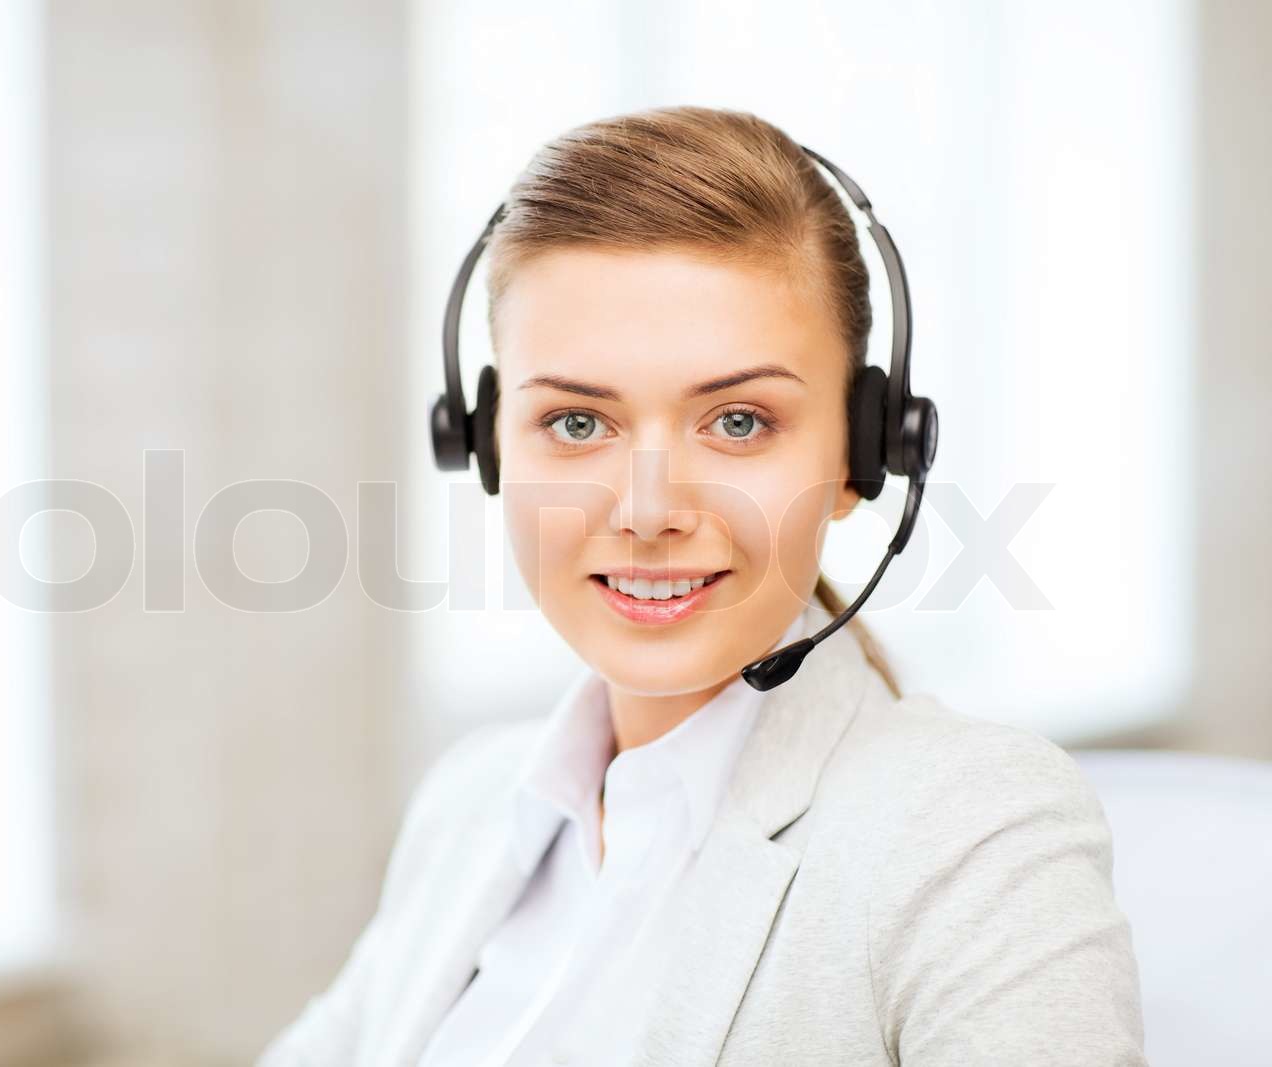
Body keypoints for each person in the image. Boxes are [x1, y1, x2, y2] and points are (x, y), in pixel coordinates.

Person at [257, 106, 1145, 1066]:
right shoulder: (473, 806)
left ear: (864, 452)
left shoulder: (972, 832)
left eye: (737, 421)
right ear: (484, 446)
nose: (647, 510)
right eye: (577, 423)